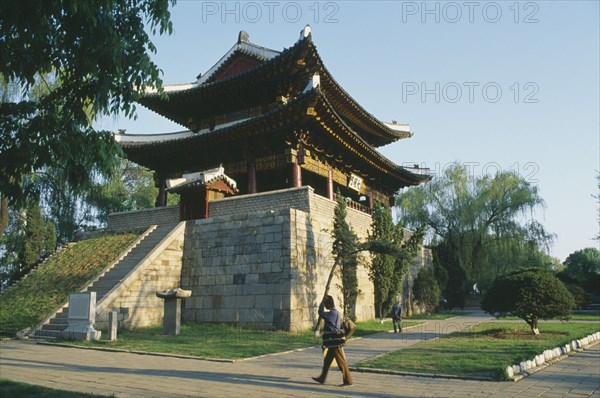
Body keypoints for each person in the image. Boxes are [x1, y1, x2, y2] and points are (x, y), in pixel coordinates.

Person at [312, 295, 353, 386]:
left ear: (329, 304)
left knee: (341, 362)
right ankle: (322, 378)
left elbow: (321, 313)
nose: (325, 306)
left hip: (334, 342)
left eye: (326, 304)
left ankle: (348, 381)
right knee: (327, 361)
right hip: (333, 342)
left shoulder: (331, 314)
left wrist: (322, 303)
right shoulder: (337, 313)